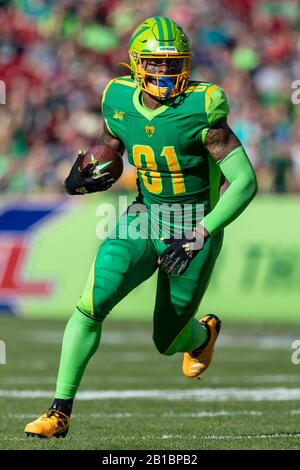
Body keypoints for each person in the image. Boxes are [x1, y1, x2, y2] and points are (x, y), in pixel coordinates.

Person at [24, 16, 257, 438]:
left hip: (192, 226)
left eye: (175, 64)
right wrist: (88, 173)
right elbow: (111, 147)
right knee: (91, 304)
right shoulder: (117, 97)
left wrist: (201, 232)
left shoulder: (202, 107)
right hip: (142, 217)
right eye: (156, 63)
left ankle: (201, 335)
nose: (166, 72)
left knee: (166, 341)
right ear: (136, 64)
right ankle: (59, 412)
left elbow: (245, 182)